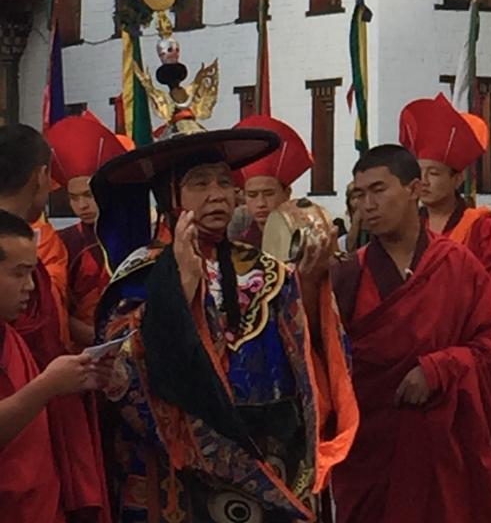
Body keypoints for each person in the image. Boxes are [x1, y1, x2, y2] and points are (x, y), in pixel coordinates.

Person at [93, 126, 358, 522]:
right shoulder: (141, 273)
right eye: (199, 184)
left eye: (224, 181)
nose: (217, 194)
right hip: (180, 474)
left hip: (269, 455)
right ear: (170, 196)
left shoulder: (269, 271)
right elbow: (119, 373)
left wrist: (311, 284)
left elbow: (314, 352)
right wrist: (180, 288)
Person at [331, 144, 491, 523]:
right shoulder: (348, 274)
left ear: (414, 189)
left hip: (445, 446)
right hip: (373, 450)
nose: (367, 204)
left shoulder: (454, 263)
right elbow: (322, 361)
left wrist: (440, 368)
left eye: (379, 190)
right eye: (358, 194)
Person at [0, 210, 111, 522]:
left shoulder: (10, 334)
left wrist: (79, 379)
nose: (31, 287)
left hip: (39, 504)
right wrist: (47, 386)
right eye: (19, 273)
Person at [401, 93, 491, 322]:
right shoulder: (410, 226)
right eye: (419, 172)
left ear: (457, 179)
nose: (423, 181)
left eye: (434, 173)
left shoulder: (480, 226)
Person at [45, 115, 126, 347]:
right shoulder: (64, 241)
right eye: (74, 198)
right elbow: (58, 309)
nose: (82, 206)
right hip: (84, 349)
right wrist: (98, 341)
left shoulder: (135, 233)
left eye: (89, 195)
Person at [231, 114, 314, 248]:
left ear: (287, 193)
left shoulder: (307, 239)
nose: (261, 203)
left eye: (269, 193)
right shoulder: (239, 246)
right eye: (252, 195)